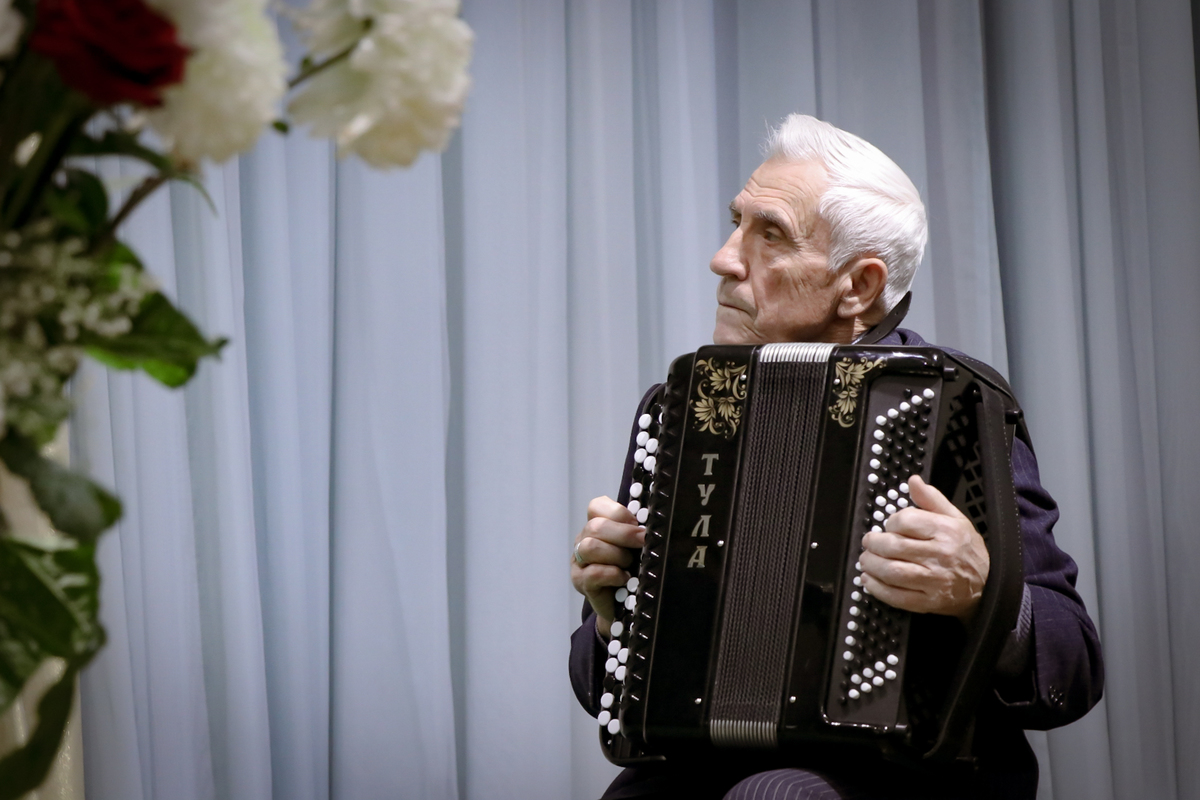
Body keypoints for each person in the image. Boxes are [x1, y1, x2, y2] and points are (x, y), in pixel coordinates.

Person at [568, 115, 1104, 800]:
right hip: (697, 766)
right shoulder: (686, 409)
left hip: (902, 778)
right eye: (736, 223)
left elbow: (1073, 665)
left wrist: (982, 594)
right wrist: (613, 612)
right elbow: (602, 690)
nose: (724, 259)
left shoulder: (958, 407)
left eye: (770, 235)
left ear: (858, 285)